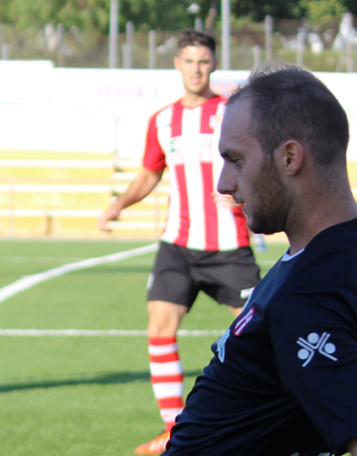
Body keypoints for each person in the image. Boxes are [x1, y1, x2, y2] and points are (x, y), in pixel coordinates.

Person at [162, 66, 357, 456]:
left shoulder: (304, 299)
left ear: (290, 157)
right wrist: (318, 404)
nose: (223, 183)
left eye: (235, 160)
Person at [97, 30, 261, 455]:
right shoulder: (162, 120)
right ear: (177, 64)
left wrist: (240, 190)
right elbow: (150, 173)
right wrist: (120, 203)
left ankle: (285, 423)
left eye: (204, 61)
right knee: (159, 329)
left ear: (213, 65)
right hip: (177, 246)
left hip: (229, 247)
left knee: (265, 337)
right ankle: (175, 430)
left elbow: (257, 165)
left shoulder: (232, 113)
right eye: (189, 61)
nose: (196, 69)